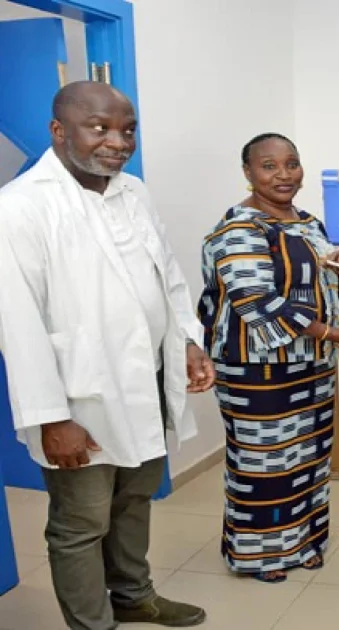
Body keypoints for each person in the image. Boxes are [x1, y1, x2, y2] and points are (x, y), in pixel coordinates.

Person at [0, 81, 212, 628]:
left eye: (127, 129)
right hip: (80, 397)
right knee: (81, 522)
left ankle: (133, 594)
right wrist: (51, 417)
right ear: (58, 130)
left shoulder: (132, 191)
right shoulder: (20, 207)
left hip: (146, 381)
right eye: (99, 127)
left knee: (133, 501)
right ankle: (93, 623)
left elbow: (166, 278)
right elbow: (17, 324)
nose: (117, 141)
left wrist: (187, 340)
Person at [198, 133, 339, 583]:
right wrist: (337, 335)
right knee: (265, 462)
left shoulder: (309, 223)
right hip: (257, 369)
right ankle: (261, 556)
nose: (283, 175)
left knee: (309, 457)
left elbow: (331, 295)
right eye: (269, 166)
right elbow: (259, 302)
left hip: (312, 363)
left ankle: (304, 542)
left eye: (291, 164)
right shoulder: (237, 230)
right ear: (248, 172)